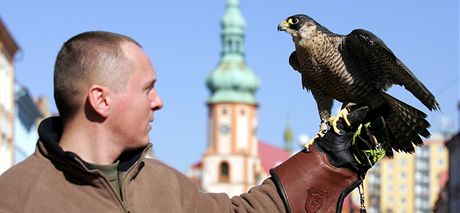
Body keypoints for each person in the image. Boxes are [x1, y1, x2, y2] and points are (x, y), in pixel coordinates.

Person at [0, 31, 377, 212]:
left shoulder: (162, 183)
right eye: (148, 89)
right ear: (101, 100)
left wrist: (325, 163)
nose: (159, 102)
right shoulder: (16, 198)